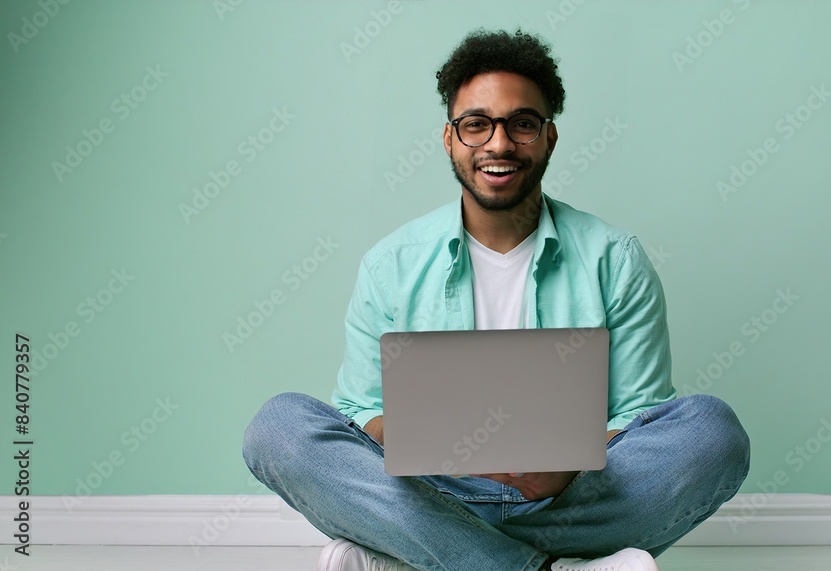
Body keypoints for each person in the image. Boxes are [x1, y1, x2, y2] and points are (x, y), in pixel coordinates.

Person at [243, 29, 751, 571]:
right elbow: (359, 409)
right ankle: (541, 566)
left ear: (549, 137)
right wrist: (436, 442)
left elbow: (640, 414)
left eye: (522, 124)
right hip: (430, 492)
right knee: (278, 428)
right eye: (476, 124)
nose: (499, 144)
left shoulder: (615, 258)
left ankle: (426, 556)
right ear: (449, 138)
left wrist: (564, 464)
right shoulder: (390, 264)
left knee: (712, 431)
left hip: (569, 499)